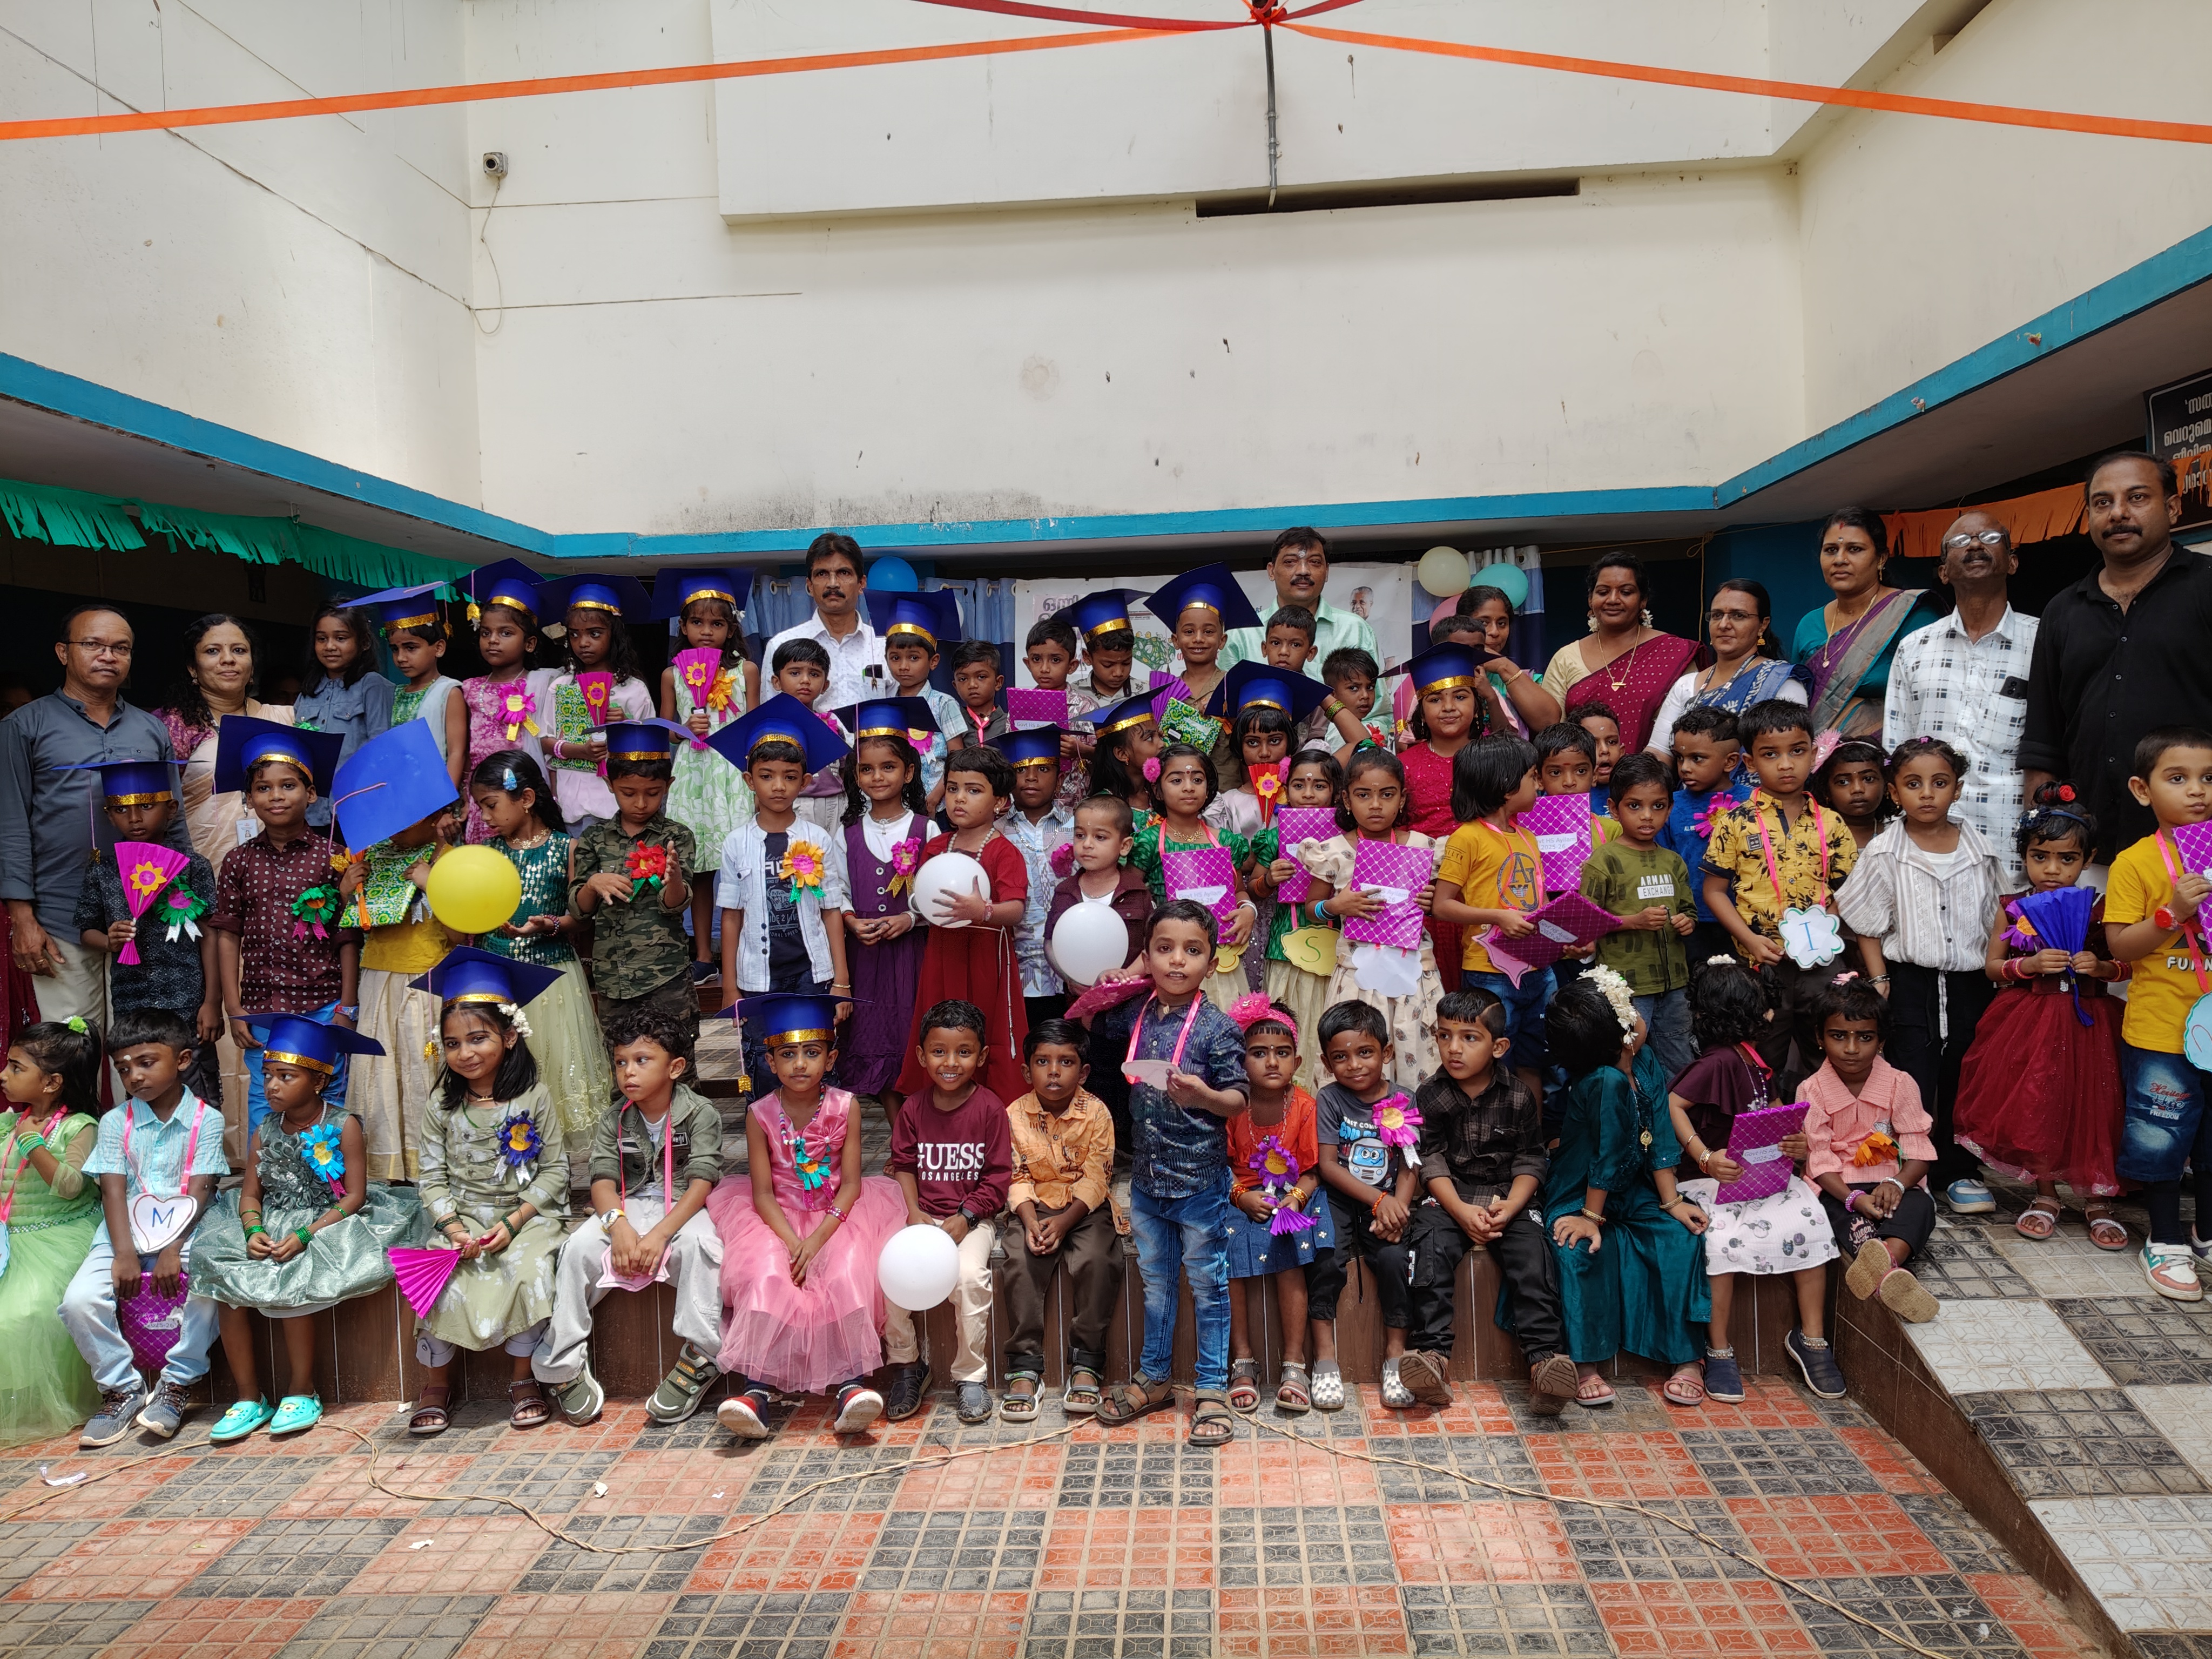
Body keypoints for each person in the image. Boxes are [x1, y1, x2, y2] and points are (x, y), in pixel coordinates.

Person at [196, 1012, 419, 1443]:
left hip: (324, 1220)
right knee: (228, 1283)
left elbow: (354, 1196)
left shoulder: (343, 1125)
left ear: (318, 1081)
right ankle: (248, 1397)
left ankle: (302, 1389)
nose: (272, 1086)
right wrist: (251, 1230)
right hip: (272, 1218)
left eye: (286, 1076)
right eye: (268, 1075)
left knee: (292, 1279)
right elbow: (250, 1194)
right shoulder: (264, 1130)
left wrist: (305, 1235)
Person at [1085, 900, 1252, 1443]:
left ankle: (1211, 1388)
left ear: (1212, 962)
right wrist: (1111, 982)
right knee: (1156, 1285)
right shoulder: (1135, 1014)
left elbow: (1238, 1099)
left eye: (1192, 950)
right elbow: (1092, 1018)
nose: (1177, 960)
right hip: (1148, 1181)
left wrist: (1204, 1096)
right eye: (1164, 949)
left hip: (1201, 1182)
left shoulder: (1218, 1030)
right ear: (1148, 956)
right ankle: (1155, 1379)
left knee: (1208, 1285)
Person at [707, 993, 905, 1439]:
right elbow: (762, 1193)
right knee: (767, 1276)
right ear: (771, 1062)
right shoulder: (759, 1114)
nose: (800, 1064)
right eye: (788, 1055)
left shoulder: (846, 1106)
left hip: (837, 1216)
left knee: (846, 1274)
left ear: (830, 1058)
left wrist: (816, 1241)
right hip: (776, 1218)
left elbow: (851, 1185)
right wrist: (792, 1243)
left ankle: (852, 1386)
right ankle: (755, 1393)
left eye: (812, 1053)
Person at [535, 1000, 727, 1427]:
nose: (629, 1073)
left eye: (642, 1061)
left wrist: (659, 1235)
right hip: (629, 1205)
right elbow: (602, 1182)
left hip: (683, 1207)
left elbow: (702, 1183)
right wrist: (617, 1226)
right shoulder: (614, 1118)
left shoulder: (701, 1114)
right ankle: (562, 1362)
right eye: (621, 1062)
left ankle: (702, 1354)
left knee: (704, 1246)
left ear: (675, 1068)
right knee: (576, 1248)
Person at [0, 606, 187, 1040]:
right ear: (63, 652)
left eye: (121, 648)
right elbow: (10, 825)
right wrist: (23, 919)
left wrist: (181, 903)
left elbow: (173, 822)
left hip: (144, 916)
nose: (108, 656)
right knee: (69, 1049)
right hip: (59, 918)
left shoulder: (150, 729)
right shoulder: (24, 726)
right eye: (93, 645)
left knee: (141, 1047)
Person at [1835, 738, 2005, 1215]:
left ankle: (1958, 1170)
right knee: (1909, 1075)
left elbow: (2000, 914)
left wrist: (1999, 967)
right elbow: (1866, 923)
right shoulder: (1884, 851)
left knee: (1964, 1074)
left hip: (1971, 981)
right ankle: (1909, 1170)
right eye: (1913, 784)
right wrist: (1879, 980)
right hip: (1910, 981)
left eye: (1939, 782)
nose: (1927, 793)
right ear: (1895, 792)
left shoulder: (1979, 849)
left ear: (1958, 789)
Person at [402, 949, 569, 1436]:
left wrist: (514, 1223)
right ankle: (436, 1383)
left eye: (478, 1039)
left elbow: (556, 1170)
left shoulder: (534, 1097)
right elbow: (431, 1177)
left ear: (510, 1036)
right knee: (439, 1275)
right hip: (462, 1218)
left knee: (530, 1270)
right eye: (453, 1043)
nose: (465, 1053)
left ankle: (523, 1379)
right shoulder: (441, 1105)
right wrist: (454, 1228)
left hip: (525, 1218)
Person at [1954, 784, 2128, 1248]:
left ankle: (2097, 1199)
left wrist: (2104, 968)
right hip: (2029, 1022)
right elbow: (1993, 966)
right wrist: (2027, 966)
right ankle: (2046, 1194)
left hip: (2090, 1023)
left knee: (2096, 1105)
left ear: (2089, 859)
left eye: (2067, 859)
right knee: (2038, 1103)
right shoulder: (2013, 907)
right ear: (2024, 856)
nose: (2052, 869)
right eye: (2040, 856)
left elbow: (2129, 963)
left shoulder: (2101, 910)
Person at [2022, 453, 2212, 868]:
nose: (2118, 513)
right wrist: (2046, 835)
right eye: (2103, 502)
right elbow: (2043, 739)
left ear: (2173, 508)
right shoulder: (2063, 610)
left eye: (2137, 497)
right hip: (2090, 845)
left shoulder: (2206, 586)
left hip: (2199, 844)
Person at [1667, 959, 1842, 1402]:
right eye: (1763, 1005)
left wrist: (1796, 1141)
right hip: (1707, 1182)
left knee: (1811, 1219)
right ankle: (1718, 1349)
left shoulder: (1754, 1058)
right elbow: (1672, 1104)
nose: (1771, 1013)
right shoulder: (1718, 1062)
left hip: (1755, 1177)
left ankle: (1812, 1338)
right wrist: (1705, 1156)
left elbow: (1778, 1113)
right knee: (1720, 1240)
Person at [1542, 970, 1711, 1409]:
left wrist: (1671, 1201)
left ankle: (1687, 1358)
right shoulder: (1604, 1081)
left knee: (1679, 1237)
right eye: (1630, 1015)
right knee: (1578, 1250)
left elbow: (1660, 1130)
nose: (1640, 1018)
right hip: (1580, 1191)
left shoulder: (1645, 1058)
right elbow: (1606, 1155)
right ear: (1620, 1039)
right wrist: (1590, 1218)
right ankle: (1585, 1365)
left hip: (1634, 1185)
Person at [1408, 987, 1580, 1415]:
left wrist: (1514, 1204)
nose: (1454, 1048)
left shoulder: (1519, 1095)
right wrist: (1460, 1211)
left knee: (1532, 1255)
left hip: (1508, 1199)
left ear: (1499, 1047)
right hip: (1450, 1198)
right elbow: (1430, 1160)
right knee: (1429, 1244)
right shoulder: (1430, 1095)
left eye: (1469, 1038)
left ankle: (1546, 1363)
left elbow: (1531, 1158)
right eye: (1444, 1036)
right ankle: (1432, 1358)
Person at [62, 1009, 227, 1446]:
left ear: (183, 1060)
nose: (134, 1076)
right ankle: (122, 1387)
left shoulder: (206, 1119)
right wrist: (124, 1252)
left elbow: (201, 1190)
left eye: (146, 1063)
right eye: (123, 1069)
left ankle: (176, 1383)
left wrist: (173, 1247)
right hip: (124, 1233)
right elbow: (113, 1191)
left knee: (210, 1286)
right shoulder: (115, 1122)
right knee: (79, 1301)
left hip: (189, 1229)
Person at [2100, 726, 2212, 1300]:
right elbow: (2120, 946)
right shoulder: (2136, 862)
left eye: (2209, 778)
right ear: (2142, 791)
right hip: (2162, 1032)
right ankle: (2164, 1239)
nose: (2197, 791)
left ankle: (2204, 1232)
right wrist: (2172, 913)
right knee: (2160, 1135)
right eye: (2178, 778)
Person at [1701, 700, 1860, 1099]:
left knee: (1827, 1052)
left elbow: (1847, 891)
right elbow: (1714, 891)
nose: (1786, 764)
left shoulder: (1831, 822)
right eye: (1771, 755)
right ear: (1750, 763)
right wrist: (1751, 940)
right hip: (1761, 963)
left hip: (1822, 964)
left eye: (1797, 751)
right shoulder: (1735, 822)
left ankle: (1824, 1129)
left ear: (1814, 753)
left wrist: (1824, 929)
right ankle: (1767, 1131)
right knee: (1762, 1055)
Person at [208, 716, 354, 1143]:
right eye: (263, 788)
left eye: (288, 785)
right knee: (266, 1096)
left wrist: (347, 1005)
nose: (275, 796)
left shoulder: (334, 857)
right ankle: (265, 1174)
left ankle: (324, 1174)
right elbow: (227, 934)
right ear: (249, 798)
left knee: (327, 1091)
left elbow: (348, 934)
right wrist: (234, 1007)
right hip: (262, 1007)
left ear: (311, 793)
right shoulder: (238, 861)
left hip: (323, 1001)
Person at [1883, 514, 2040, 888]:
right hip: (1926, 853)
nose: (1975, 545)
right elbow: (1896, 750)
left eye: (1989, 537)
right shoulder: (1914, 647)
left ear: (2013, 562)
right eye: (1960, 542)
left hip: (2013, 851)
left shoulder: (2045, 641)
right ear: (1943, 572)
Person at [710, 696, 854, 1104]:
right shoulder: (737, 843)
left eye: (789, 777)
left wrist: (841, 980)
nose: (778, 786)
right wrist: (729, 987)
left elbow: (830, 910)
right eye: (767, 776)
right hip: (757, 978)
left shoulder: (817, 839)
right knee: (763, 1058)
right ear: (748, 780)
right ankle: (768, 1132)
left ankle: (819, 1130)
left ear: (805, 782)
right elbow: (731, 916)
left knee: (815, 1054)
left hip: (812, 973)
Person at [884, 1000, 1015, 1425]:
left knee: (970, 1278)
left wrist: (968, 1217)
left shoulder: (990, 1109)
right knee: (888, 1275)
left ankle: (970, 1375)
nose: (951, 1063)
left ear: (982, 1056)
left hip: (971, 1221)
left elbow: (998, 1178)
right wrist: (913, 1209)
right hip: (921, 1218)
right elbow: (904, 1164)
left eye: (964, 1052)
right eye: (939, 1052)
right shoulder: (913, 1108)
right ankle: (906, 1365)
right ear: (922, 1056)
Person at [473, 752, 612, 1150]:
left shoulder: (566, 848)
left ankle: (552, 1161)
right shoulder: (485, 853)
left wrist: (548, 924)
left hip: (552, 978)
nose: (484, 816)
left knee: (555, 1065)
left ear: (527, 799)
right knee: (503, 1069)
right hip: (497, 978)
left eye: (491, 805)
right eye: (480, 807)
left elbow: (580, 919)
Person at [333, 736, 456, 1182]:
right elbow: (354, 924)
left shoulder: (449, 859)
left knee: (422, 1071)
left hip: (425, 981)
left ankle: (430, 1168)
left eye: (405, 820)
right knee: (381, 1076)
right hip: (377, 980)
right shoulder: (374, 857)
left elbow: (462, 935)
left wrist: (434, 885)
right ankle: (388, 1169)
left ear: (434, 817)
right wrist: (347, 892)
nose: (394, 830)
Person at [68, 759, 220, 1103]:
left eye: (147, 806)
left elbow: (210, 934)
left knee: (194, 1085)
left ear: (171, 809)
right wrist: (108, 940)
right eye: (121, 809)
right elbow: (86, 931)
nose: (134, 818)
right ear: (109, 816)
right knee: (140, 1084)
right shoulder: (104, 870)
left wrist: (212, 1001)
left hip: (187, 998)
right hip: (131, 1000)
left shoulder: (193, 866)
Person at [1798, 973, 1940, 1324]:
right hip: (1839, 1188)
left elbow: (1919, 1150)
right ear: (1819, 1038)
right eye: (1838, 1036)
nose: (1851, 1048)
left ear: (1881, 1041)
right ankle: (1890, 1273)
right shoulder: (1812, 1090)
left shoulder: (1900, 1084)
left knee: (1921, 1206)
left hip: (1890, 1184)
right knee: (1836, 1214)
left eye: (1865, 1037)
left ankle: (1886, 1258)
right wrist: (1853, 1198)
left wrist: (1897, 1184)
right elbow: (1819, 1159)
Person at [1298, 747, 1442, 1092]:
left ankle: (1412, 1120)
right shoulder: (1333, 850)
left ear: (1402, 799)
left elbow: (1438, 903)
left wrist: (1432, 904)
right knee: (1358, 1048)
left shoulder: (1423, 847)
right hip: (1358, 976)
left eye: (1387, 795)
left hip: (1413, 972)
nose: (1375, 805)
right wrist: (1336, 906)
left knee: (1416, 1050)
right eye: (1364, 795)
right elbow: (1311, 909)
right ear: (1347, 800)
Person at [1001, 1020, 1125, 1420]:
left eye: (1066, 1062)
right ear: (1027, 1071)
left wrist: (1065, 1222)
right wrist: (1029, 1221)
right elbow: (1016, 1175)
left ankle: (1087, 1361)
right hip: (1034, 1205)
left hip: (1083, 1208)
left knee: (1098, 1259)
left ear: (1083, 1072)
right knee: (1019, 1260)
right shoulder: (1014, 1115)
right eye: (1043, 1062)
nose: (1054, 1072)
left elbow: (1097, 1176)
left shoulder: (1097, 1113)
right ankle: (1025, 1366)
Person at [894, 745, 1032, 1104]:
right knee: (940, 1024)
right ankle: (939, 1110)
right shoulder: (937, 847)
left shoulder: (1004, 852)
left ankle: (990, 1111)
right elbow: (924, 898)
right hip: (943, 954)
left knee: (983, 1027)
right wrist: (919, 907)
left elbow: (1016, 910)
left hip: (985, 958)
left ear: (1000, 802)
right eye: (953, 788)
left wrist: (982, 910)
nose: (959, 799)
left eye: (973, 790)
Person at [1306, 1000, 1426, 1406]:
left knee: (1395, 1260)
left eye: (1365, 1053)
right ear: (1327, 1063)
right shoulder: (1330, 1099)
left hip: (1390, 1204)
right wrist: (1380, 1201)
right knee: (1326, 1258)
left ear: (1386, 1052)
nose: (1354, 1065)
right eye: (1341, 1057)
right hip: (1340, 1198)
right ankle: (1325, 1360)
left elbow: (1411, 1162)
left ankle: (1395, 1357)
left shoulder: (1404, 1099)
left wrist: (1398, 1209)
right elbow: (1327, 1166)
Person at [1222, 996, 1333, 1415]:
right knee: (1228, 1249)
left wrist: (1295, 1198)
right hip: (1240, 1194)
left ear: (1297, 1061)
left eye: (1282, 1053)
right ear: (1241, 1060)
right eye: (1259, 1053)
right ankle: (1243, 1361)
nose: (1272, 1062)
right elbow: (1218, 1165)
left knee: (1290, 1247)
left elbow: (1314, 1169)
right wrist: (1241, 1196)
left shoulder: (1305, 1106)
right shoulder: (1232, 1105)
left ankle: (1294, 1363)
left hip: (1292, 1194)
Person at [0, 1019, 105, 1448]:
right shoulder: (8, 1124)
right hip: (11, 1238)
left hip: (59, 1238)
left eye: (16, 1067)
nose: (4, 1074)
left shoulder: (80, 1127)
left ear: (52, 1082)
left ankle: (32, 1406)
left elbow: (69, 1187)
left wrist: (33, 1144)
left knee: (20, 1315)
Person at [1434, 737, 1550, 1106]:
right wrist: (1497, 916)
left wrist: (1565, 934)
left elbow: (1539, 902)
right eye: (1533, 776)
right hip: (1490, 971)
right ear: (1506, 786)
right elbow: (1442, 905)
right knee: (1492, 1063)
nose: (1539, 784)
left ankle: (1530, 1133)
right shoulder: (1467, 837)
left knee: (1533, 1059)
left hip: (1538, 969)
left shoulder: (1529, 837)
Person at [569, 718, 700, 1039]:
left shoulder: (676, 836)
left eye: (653, 793)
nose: (641, 804)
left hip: (665, 974)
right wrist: (593, 883)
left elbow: (674, 906)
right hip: (613, 977)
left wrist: (673, 880)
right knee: (621, 1059)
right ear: (610, 783)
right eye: (628, 793)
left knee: (674, 1056)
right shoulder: (595, 839)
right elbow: (579, 911)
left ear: (668, 785)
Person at [656, 569, 758, 973]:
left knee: (741, 867)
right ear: (682, 626)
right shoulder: (672, 674)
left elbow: (755, 727)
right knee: (698, 869)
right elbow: (667, 730)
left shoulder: (744, 671)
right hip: (693, 777)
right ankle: (702, 955)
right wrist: (685, 728)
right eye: (697, 622)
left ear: (731, 629)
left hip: (731, 774)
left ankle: (743, 954)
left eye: (717, 624)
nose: (706, 631)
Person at [836, 698, 934, 1109]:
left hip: (913, 956)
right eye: (867, 769)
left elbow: (936, 893)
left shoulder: (926, 828)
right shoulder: (846, 833)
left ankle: (919, 1129)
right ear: (856, 775)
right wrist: (850, 920)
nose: (877, 777)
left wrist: (911, 919)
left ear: (908, 772)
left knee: (913, 1037)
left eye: (888, 767)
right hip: (866, 959)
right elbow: (838, 890)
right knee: (874, 1039)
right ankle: (898, 1134)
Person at [1582, 752, 1697, 1079]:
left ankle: (1674, 1110)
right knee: (1627, 1055)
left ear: (1670, 809)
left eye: (1658, 806)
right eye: (1635, 806)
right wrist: (1634, 922)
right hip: (1627, 986)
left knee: (1678, 1055)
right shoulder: (1603, 861)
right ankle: (1634, 1110)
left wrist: (1687, 922)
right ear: (1614, 809)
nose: (1647, 816)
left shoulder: (1673, 861)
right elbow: (1586, 923)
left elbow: (1689, 910)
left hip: (1674, 982)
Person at [156, 613, 296, 875]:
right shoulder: (174, 726)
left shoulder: (283, 718)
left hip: (283, 866)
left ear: (252, 665)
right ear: (192, 668)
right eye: (213, 651)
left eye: (239, 650)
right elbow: (159, 808)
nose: (228, 659)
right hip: (200, 868)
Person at [1127, 744, 1258, 1014]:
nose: (1189, 787)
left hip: (1218, 962)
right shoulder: (1148, 843)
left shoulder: (1225, 841)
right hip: (1169, 961)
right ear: (1157, 790)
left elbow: (1239, 891)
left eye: (1197, 780)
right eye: (1177, 780)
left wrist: (1248, 911)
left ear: (1208, 789)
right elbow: (1132, 898)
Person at [1244, 747, 1344, 1089]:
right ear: (1286, 791)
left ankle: (1322, 1097)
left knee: (1326, 1021)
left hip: (1335, 947)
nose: (1309, 794)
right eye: (1299, 785)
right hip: (1285, 946)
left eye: (1320, 786)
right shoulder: (1274, 837)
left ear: (1336, 792)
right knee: (1287, 1023)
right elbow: (1253, 889)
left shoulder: (1346, 838)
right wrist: (1270, 879)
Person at [1793, 510, 1941, 739]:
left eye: (1854, 549)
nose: (1840, 559)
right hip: (1816, 755)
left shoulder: (1912, 615)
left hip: (1892, 752)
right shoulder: (1809, 624)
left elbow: (1934, 700)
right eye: (1831, 550)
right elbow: (1796, 702)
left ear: (1881, 558)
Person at [1541, 554, 1701, 753]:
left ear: (1643, 600)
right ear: (1590, 599)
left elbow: (1694, 725)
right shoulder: (1566, 658)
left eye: (1625, 592)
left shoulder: (1674, 652)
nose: (1613, 600)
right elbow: (1553, 732)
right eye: (1603, 592)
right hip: (1583, 771)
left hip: (1656, 770)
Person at [539, 574, 655, 836]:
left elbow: (650, 747)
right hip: (571, 798)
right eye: (575, 635)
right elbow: (545, 740)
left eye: (594, 634)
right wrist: (581, 751)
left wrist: (625, 726)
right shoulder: (561, 687)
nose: (583, 643)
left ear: (614, 635)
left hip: (617, 801)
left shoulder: (632, 689)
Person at [457, 561, 561, 844]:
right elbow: (465, 751)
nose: (493, 640)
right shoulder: (469, 688)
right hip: (483, 800)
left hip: (522, 799)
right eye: (486, 632)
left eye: (506, 633)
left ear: (530, 643)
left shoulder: (543, 684)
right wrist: (465, 795)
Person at [1644, 579, 1807, 752]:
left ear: (1763, 625)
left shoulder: (1780, 682)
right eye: (1717, 615)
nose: (1723, 625)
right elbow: (1659, 752)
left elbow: (1789, 754)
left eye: (1738, 616)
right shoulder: (1686, 685)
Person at [996, 726, 1075, 1027]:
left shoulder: (1078, 827)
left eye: (1043, 769)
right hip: (1015, 967)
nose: (1031, 778)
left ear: (1059, 777)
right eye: (1021, 769)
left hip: (1071, 965)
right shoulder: (995, 832)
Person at [290, 603, 394, 832]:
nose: (330, 646)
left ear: (364, 642)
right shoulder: (308, 692)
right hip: (312, 811)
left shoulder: (372, 685)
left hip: (357, 808)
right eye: (322, 639)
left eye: (341, 638)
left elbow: (381, 749)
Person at [353, 584, 468, 790]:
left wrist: (445, 798)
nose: (401, 657)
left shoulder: (449, 692)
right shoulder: (393, 693)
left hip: (436, 793)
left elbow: (456, 753)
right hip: (399, 793)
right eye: (395, 649)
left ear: (439, 648)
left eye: (411, 648)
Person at [1660, 707, 1751, 965]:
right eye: (1680, 758)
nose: (1685, 768)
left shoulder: (1754, 803)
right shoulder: (1669, 805)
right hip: (1690, 922)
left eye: (1697, 759)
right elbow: (1663, 862)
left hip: (1744, 919)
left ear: (1730, 762)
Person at [1219, 528, 1379, 673]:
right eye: (1290, 562)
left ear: (1326, 571)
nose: (1303, 571)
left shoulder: (1354, 630)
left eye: (1314, 562)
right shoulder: (1242, 634)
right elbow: (1225, 694)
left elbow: (1374, 695)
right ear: (1271, 571)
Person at [867, 590, 968, 810]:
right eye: (896, 658)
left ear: (934, 661)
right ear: (886, 659)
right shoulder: (887, 706)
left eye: (914, 658)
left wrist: (934, 799)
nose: (904, 666)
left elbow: (957, 757)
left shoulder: (944, 704)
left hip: (938, 807)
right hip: (896, 806)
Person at [764, 533, 885, 713]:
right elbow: (771, 718)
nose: (833, 584)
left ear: (861, 583)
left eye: (844, 573)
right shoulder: (780, 645)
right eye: (822, 574)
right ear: (810, 585)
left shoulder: (884, 648)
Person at [1145, 562, 1262, 725]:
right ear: (1176, 641)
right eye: (1189, 631)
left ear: (1222, 641)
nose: (1198, 638)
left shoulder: (1233, 687)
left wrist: (1230, 716)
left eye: (1208, 631)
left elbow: (1249, 733)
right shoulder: (1164, 692)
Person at [1455, 584, 1563, 734]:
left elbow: (1550, 724)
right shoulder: (1435, 673)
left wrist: (1503, 666)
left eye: (1502, 624)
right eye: (1483, 623)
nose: (1495, 632)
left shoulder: (1521, 678)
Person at [767, 637, 848, 834]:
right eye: (795, 673)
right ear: (777, 682)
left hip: (836, 804)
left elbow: (844, 770)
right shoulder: (771, 729)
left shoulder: (832, 727)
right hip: (794, 804)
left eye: (814, 674)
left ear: (825, 685)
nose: (805, 680)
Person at [1088, 690, 1165, 818]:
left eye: (1160, 736)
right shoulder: (1100, 809)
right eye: (1150, 738)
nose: (1162, 744)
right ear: (1122, 753)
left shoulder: (1162, 795)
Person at [1815, 738, 1892, 854]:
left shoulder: (1899, 834)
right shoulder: (1815, 838)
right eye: (1843, 782)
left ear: (1886, 785)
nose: (1857, 789)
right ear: (1827, 792)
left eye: (1868, 779)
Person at [950, 642, 1011, 748]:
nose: (972, 685)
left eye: (981, 677)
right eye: (963, 679)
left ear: (998, 683)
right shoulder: (952, 723)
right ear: (956, 687)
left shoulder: (1010, 724)